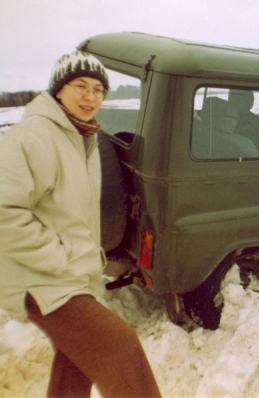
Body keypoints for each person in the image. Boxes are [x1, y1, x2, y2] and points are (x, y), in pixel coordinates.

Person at [0, 51, 161, 397]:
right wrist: (60, 256)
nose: (91, 97)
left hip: (68, 276)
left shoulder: (80, 137)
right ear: (59, 90)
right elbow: (4, 213)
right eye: (80, 86)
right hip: (40, 278)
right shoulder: (31, 137)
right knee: (121, 348)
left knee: (76, 362)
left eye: (98, 90)